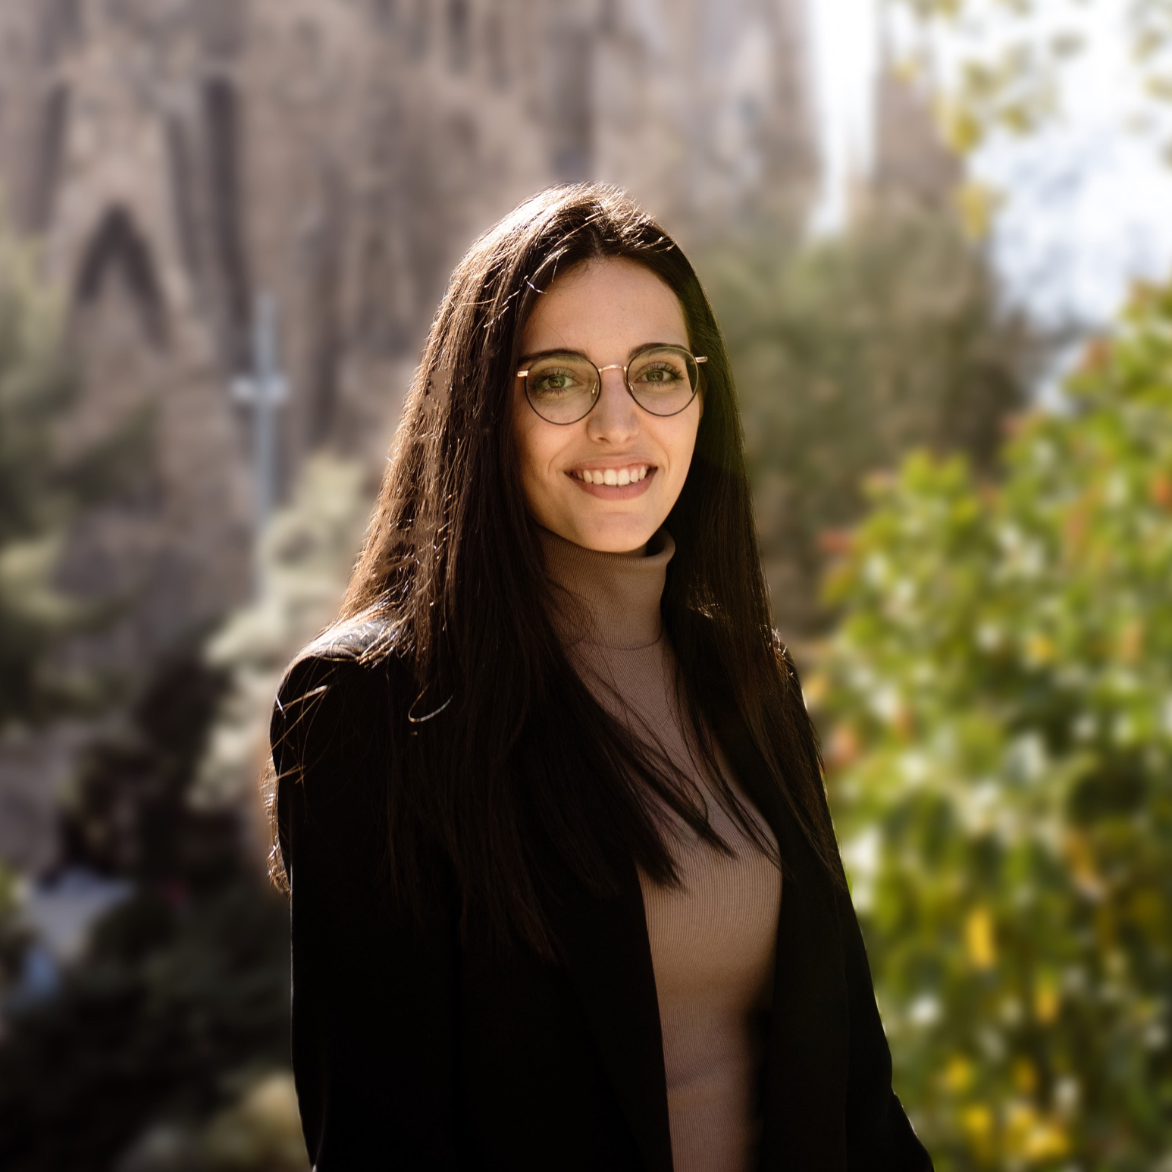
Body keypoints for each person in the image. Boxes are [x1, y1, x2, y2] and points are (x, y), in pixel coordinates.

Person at [268, 184, 933, 1171]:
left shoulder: (751, 679)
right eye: (559, 381)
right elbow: (381, 1145)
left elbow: (855, 1099)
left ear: (703, 400)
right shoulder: (373, 707)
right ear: (484, 412)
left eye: (657, 373)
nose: (618, 424)